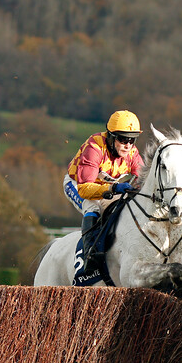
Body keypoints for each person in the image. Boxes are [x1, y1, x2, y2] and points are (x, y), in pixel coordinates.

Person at [63, 110, 144, 272]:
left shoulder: (132, 153)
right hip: (78, 184)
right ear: (111, 137)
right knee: (92, 206)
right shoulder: (94, 148)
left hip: (108, 187)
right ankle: (91, 253)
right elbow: (85, 189)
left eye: (132, 139)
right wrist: (113, 188)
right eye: (123, 139)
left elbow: (143, 179)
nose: (128, 145)